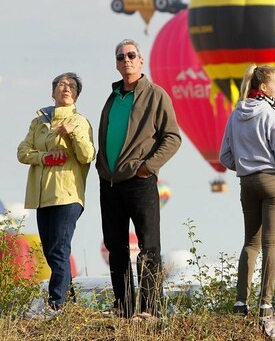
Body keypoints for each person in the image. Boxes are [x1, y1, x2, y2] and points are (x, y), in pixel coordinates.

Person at [96, 39, 181, 318]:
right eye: (121, 57)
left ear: (141, 60)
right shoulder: (113, 97)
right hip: (109, 183)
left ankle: (150, 309)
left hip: (139, 181)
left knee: (148, 246)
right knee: (116, 248)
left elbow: (172, 137)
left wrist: (148, 167)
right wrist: (101, 166)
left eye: (131, 55)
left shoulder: (156, 94)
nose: (126, 60)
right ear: (116, 63)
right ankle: (123, 307)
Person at [219, 64, 275, 319]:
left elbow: (224, 156)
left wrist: (244, 165)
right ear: (264, 87)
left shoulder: (235, 114)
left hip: (247, 181)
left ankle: (241, 301)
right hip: (273, 180)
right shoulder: (273, 115)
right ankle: (266, 302)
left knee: (250, 243)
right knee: (271, 242)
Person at [17, 72, 96, 316]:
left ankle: (55, 305)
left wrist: (72, 133)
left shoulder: (80, 121)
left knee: (60, 249)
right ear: (52, 92)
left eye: (72, 86)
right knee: (51, 250)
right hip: (41, 196)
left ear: (77, 95)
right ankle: (69, 304)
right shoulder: (38, 121)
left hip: (67, 194)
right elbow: (22, 152)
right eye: (61, 84)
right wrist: (45, 157)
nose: (66, 88)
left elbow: (87, 155)